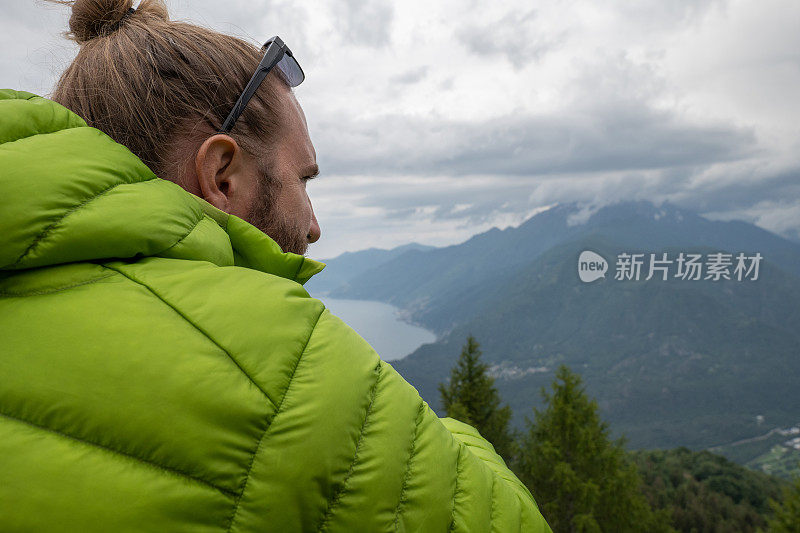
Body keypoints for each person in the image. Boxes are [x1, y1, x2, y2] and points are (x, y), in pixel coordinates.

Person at [0, 1, 551, 531]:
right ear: (221, 176)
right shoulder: (286, 380)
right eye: (303, 180)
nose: (314, 227)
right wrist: (434, 433)